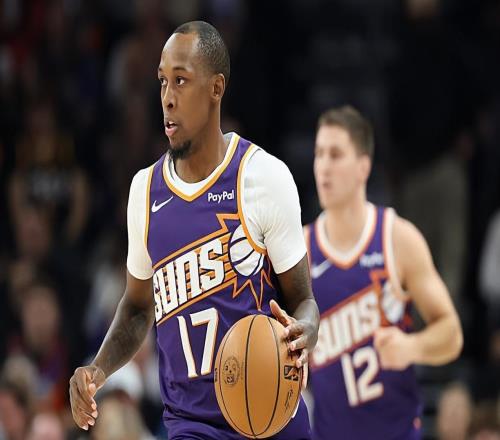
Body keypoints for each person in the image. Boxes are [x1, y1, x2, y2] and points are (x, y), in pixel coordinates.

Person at [69, 21, 319, 439]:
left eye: (181, 81)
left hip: (273, 415)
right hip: (193, 425)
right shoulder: (144, 191)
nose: (168, 97)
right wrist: (98, 368)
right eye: (162, 82)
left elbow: (303, 300)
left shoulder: (263, 177)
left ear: (216, 88)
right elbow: (137, 308)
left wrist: (305, 332)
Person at [305, 106, 463, 440]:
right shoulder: (301, 251)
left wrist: (411, 347)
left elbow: (451, 333)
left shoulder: (397, 238)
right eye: (319, 154)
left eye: (336, 154)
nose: (324, 166)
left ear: (363, 167)